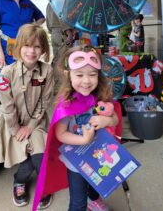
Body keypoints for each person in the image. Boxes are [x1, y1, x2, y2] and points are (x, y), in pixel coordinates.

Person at [33, 45, 119, 211]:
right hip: (77, 162)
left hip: (99, 154)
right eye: (79, 75)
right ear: (68, 75)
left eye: (92, 75)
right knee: (78, 202)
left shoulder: (100, 96)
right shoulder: (67, 103)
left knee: (97, 182)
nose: (86, 81)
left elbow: (115, 119)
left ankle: (94, 199)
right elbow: (60, 134)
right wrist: (83, 139)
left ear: (98, 76)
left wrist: (106, 121)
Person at [0, 24, 53, 208]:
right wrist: (17, 129)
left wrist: (32, 125)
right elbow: (8, 107)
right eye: (27, 45)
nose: (31, 51)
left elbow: (44, 101)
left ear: (43, 48)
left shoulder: (46, 71)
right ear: (19, 46)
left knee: (39, 159)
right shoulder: (7, 73)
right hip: (14, 124)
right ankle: (19, 181)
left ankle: (44, 185)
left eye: (37, 46)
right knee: (25, 163)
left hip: (36, 122)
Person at [46, 2, 74, 93]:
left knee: (57, 59)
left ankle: (56, 86)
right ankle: (60, 88)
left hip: (55, 33)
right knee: (62, 61)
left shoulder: (49, 3)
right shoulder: (59, 1)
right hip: (62, 32)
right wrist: (68, 32)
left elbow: (47, 22)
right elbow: (62, 17)